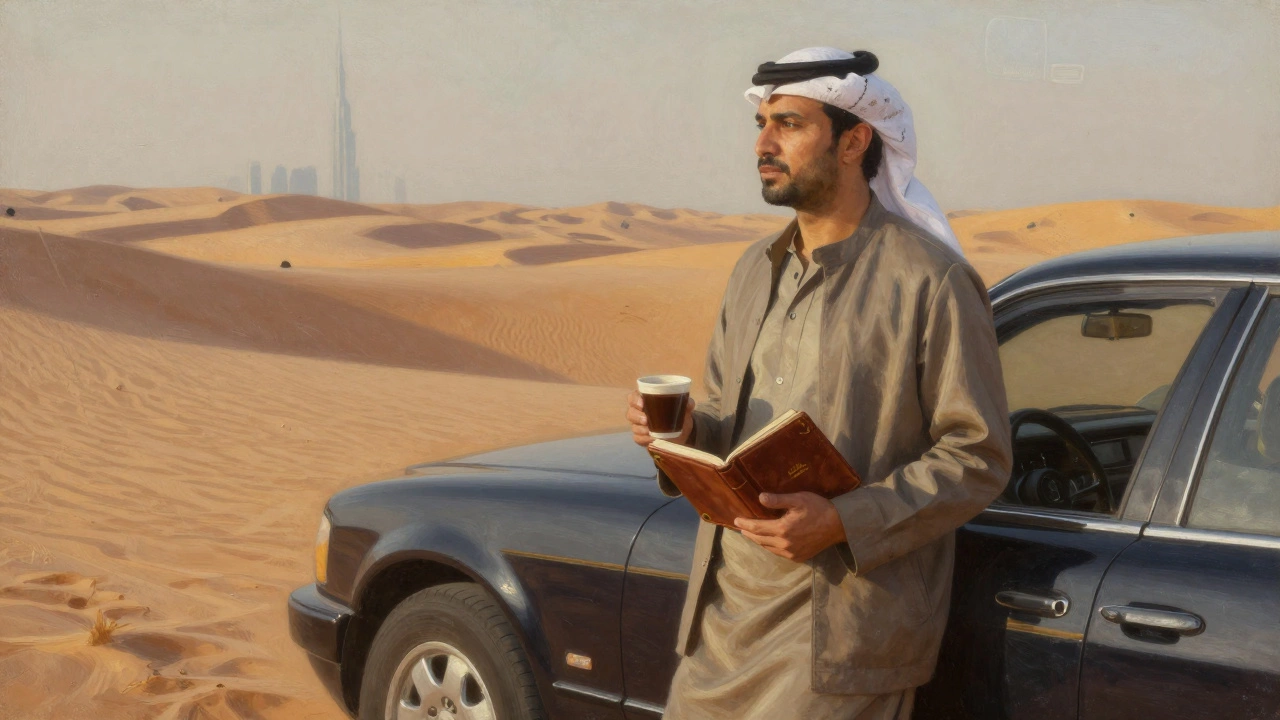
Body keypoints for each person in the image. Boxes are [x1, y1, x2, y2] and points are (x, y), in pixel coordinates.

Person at [625, 47, 1013, 719]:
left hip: (841, 636)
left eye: (789, 123)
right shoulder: (754, 269)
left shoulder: (930, 281)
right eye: (761, 124)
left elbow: (977, 456)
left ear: (852, 141)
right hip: (723, 620)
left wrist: (843, 520)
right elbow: (726, 421)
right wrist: (687, 435)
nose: (763, 142)